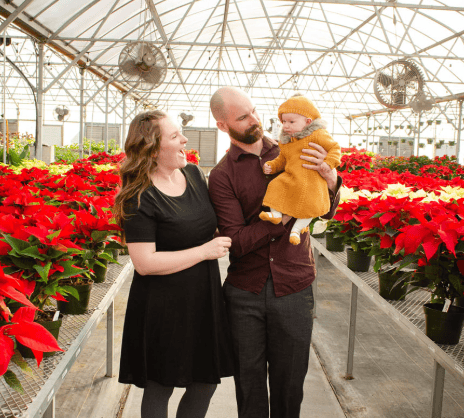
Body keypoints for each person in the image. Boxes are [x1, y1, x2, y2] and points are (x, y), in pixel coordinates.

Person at [208, 87, 342, 418]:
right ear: (223, 126)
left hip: (294, 286)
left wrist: (331, 179)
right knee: (249, 385)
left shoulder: (297, 147)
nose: (254, 119)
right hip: (245, 293)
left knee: (290, 384)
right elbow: (235, 241)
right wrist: (281, 219)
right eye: (242, 116)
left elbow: (324, 212)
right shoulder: (222, 175)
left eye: (254, 110)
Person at [113, 110, 235, 418]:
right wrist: (205, 251)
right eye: (174, 136)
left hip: (203, 298)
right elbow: (145, 263)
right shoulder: (138, 196)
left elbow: (202, 225)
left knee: (205, 381)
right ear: (153, 149)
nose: (184, 140)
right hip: (162, 305)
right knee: (160, 385)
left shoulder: (194, 174)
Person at [260, 93, 341, 245]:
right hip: (292, 178)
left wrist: (328, 163)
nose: (286, 125)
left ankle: (296, 231)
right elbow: (282, 159)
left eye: (291, 121)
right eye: (283, 121)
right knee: (275, 185)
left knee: (310, 205)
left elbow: (335, 148)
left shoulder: (318, 135)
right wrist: (272, 165)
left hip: (313, 181)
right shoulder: (287, 141)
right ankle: (275, 214)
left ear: (308, 121)